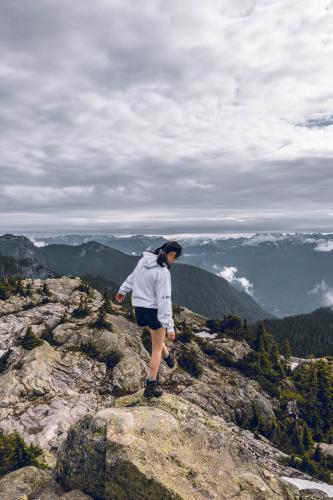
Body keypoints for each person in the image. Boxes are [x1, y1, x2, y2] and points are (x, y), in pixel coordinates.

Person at [115, 240, 183, 398]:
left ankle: (169, 357)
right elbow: (165, 301)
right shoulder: (163, 272)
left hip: (139, 307)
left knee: (155, 337)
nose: (173, 261)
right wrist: (170, 327)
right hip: (154, 310)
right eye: (174, 258)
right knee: (156, 349)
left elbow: (133, 277)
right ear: (171, 255)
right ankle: (151, 384)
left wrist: (122, 291)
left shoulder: (143, 261)